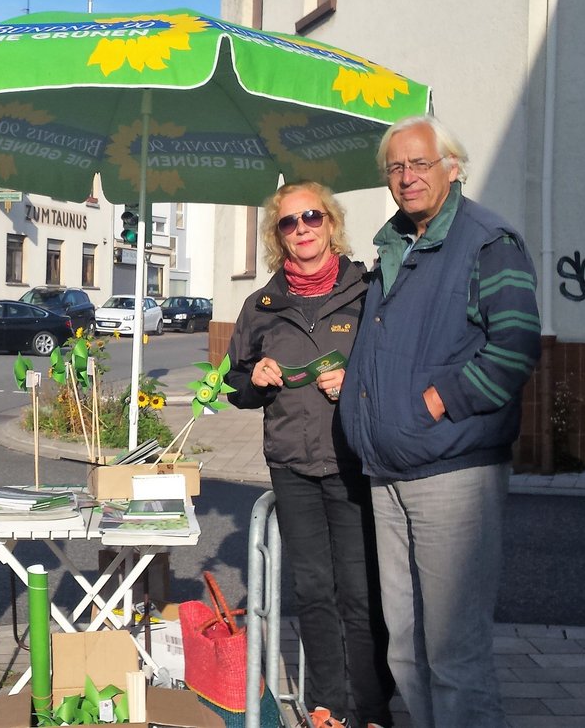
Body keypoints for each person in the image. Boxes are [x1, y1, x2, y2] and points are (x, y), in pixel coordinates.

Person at [339, 116, 541, 727]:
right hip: (387, 470)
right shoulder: (396, 245)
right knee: (405, 646)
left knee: (454, 651)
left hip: (453, 468)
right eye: (396, 167)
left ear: (452, 168)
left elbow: (515, 348)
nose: (407, 177)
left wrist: (438, 400)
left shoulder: (487, 241)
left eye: (420, 163)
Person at [225, 181, 395, 728]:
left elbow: (394, 369)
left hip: (352, 461)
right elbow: (235, 382)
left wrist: (356, 383)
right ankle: (327, 704)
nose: (302, 229)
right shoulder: (261, 304)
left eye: (312, 218)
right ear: (278, 235)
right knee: (314, 590)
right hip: (292, 465)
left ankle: (372, 707)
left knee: (361, 593)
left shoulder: (368, 292)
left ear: (331, 223)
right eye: (289, 222)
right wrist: (254, 377)